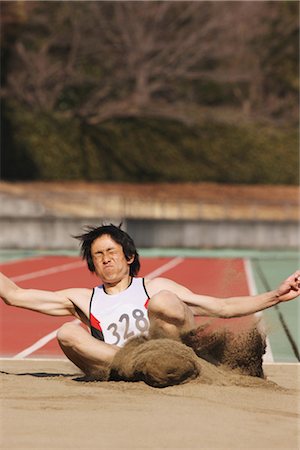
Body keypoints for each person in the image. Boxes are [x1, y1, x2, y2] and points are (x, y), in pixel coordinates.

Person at [1, 224, 299, 379]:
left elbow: (220, 307)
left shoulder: (155, 286)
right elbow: (15, 296)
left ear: (129, 257)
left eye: (111, 252)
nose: (105, 259)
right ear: (92, 265)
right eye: (97, 255)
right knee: (66, 332)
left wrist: (277, 294)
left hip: (170, 360)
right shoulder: (83, 299)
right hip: (119, 369)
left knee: (164, 301)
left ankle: (175, 367)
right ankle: (139, 369)